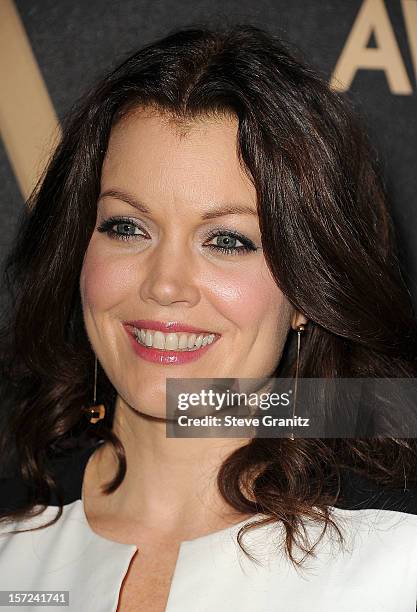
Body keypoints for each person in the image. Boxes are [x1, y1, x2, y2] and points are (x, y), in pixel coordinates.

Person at [0, 23, 417, 612]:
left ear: (306, 290)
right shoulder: (12, 537)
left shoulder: (398, 557)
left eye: (227, 240)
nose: (165, 285)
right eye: (127, 227)